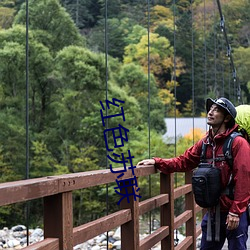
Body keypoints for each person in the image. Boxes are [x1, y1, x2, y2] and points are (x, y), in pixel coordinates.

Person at [137, 97, 250, 250]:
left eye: (216, 110)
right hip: (213, 211)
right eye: (210, 109)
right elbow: (184, 161)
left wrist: (236, 212)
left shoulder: (238, 143)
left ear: (227, 118)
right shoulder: (205, 143)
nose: (210, 112)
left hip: (233, 211)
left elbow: (244, 178)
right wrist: (157, 162)